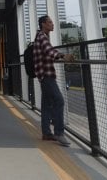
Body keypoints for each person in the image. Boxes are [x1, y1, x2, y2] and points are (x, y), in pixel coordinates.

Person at [34, 15, 74, 147]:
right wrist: (63, 55)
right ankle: (58, 132)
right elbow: (49, 51)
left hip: (43, 75)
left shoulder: (41, 37)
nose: (52, 24)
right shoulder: (42, 37)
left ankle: (46, 133)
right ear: (43, 24)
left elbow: (48, 53)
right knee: (59, 101)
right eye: (50, 22)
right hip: (46, 75)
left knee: (46, 105)